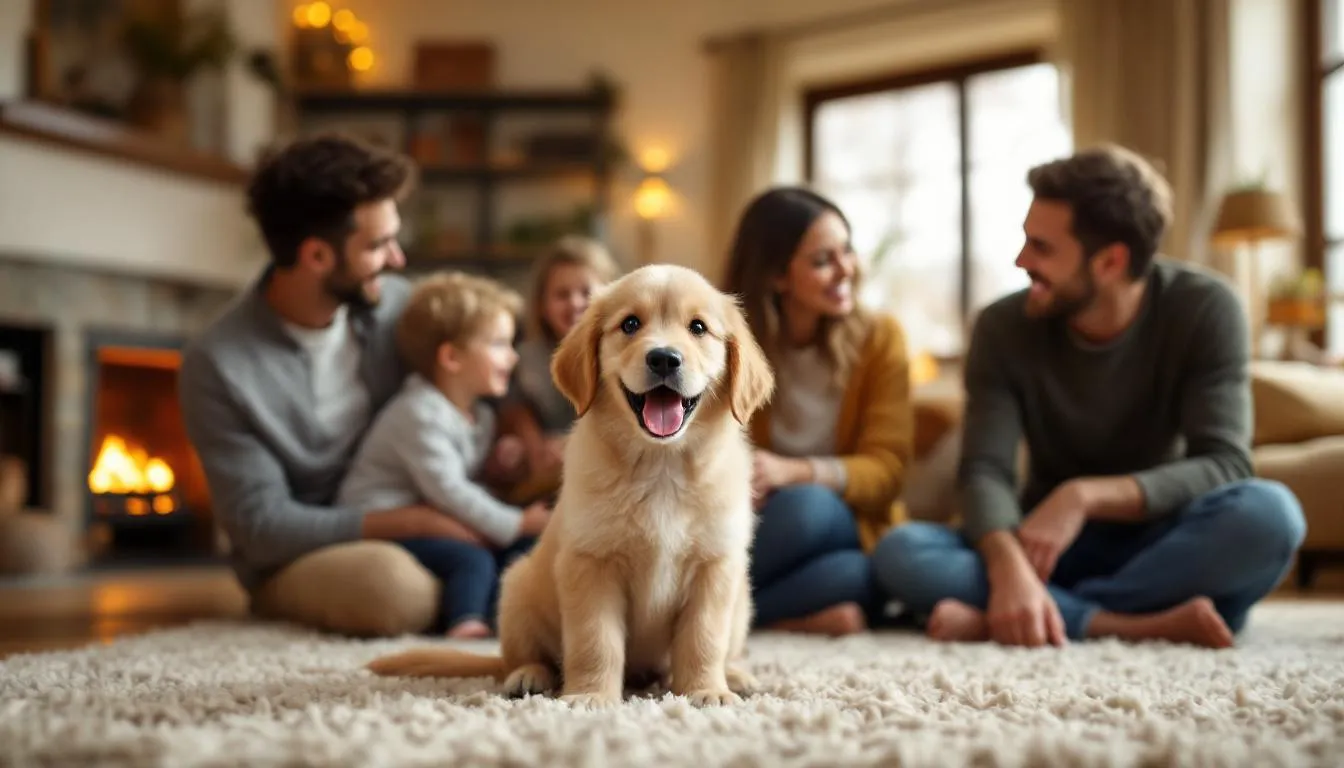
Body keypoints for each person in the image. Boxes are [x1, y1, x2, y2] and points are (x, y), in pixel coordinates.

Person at [871, 145, 1307, 648]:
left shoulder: (1206, 309)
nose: (1021, 260)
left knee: (1270, 518)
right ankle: (1128, 622)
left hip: (1161, 538)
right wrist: (1010, 566)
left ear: (1110, 261)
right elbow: (985, 470)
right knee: (901, 552)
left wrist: (1083, 496)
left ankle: (1015, 618)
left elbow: (1226, 464)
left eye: (1042, 248)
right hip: (1044, 549)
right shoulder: (1001, 327)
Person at [179, 133, 473, 636]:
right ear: (317, 256)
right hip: (305, 552)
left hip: (414, 508)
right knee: (394, 592)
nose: (398, 259)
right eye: (378, 245)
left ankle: (470, 591)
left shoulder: (398, 308)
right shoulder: (219, 364)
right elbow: (262, 528)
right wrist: (412, 522)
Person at [723, 186, 915, 637]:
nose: (846, 268)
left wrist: (796, 471)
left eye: (846, 250)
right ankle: (773, 616)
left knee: (815, 515)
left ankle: (695, 622)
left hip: (842, 520)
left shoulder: (880, 338)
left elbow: (887, 472)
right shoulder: (730, 342)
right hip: (757, 526)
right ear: (776, 277)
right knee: (848, 577)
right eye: (822, 260)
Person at [336, 271, 551, 638]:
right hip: (386, 520)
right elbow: (449, 489)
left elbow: (464, 477)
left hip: (433, 509)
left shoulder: (480, 414)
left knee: (521, 550)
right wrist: (515, 522)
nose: (512, 357)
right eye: (499, 344)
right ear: (451, 356)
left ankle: (510, 619)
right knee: (470, 558)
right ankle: (466, 624)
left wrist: (497, 464)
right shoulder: (418, 412)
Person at [498, 236, 620, 493]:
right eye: (561, 295)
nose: (575, 303)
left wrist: (571, 443)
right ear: (542, 306)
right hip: (549, 470)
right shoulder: (527, 356)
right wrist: (534, 446)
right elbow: (515, 409)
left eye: (586, 292)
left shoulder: (619, 355)